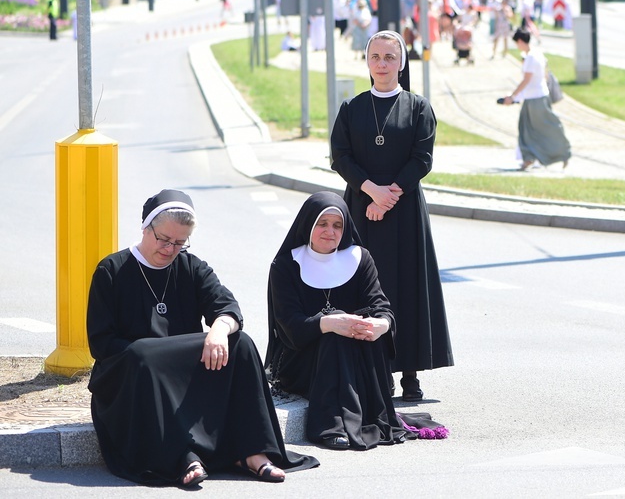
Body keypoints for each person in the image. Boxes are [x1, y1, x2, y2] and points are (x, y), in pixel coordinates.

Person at [86, 189, 319, 488]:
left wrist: (219, 330)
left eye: (180, 242)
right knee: (144, 355)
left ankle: (252, 452)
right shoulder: (111, 270)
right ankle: (183, 457)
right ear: (146, 227)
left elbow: (228, 308)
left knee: (242, 344)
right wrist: (153, 354)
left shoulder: (191, 266)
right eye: (164, 239)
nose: (171, 249)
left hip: (186, 365)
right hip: (133, 373)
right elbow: (101, 343)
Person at [330, 31, 454, 402]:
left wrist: (388, 196)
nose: (382, 64)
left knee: (406, 286)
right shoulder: (352, 108)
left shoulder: (418, 107)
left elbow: (422, 159)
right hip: (362, 209)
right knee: (367, 288)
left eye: (389, 57)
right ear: (367, 62)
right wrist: (372, 191)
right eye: (375, 57)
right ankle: (375, 371)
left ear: (401, 63)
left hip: (404, 214)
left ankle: (410, 374)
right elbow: (341, 157)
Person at [265, 192, 415, 450]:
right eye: (322, 224)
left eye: (337, 225)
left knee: (361, 332)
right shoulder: (286, 265)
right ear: (308, 225)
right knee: (334, 337)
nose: (330, 232)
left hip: (354, 356)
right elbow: (289, 327)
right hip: (300, 361)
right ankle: (329, 426)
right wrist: (330, 323)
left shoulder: (360, 259)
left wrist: (379, 325)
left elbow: (382, 308)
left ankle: (361, 419)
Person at [502, 28, 571, 170]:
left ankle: (561, 152)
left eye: (517, 43)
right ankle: (530, 158)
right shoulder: (537, 54)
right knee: (531, 128)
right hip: (536, 97)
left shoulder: (530, 58)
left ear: (520, 41)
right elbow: (543, 77)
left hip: (535, 99)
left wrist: (513, 96)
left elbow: (526, 80)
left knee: (537, 128)